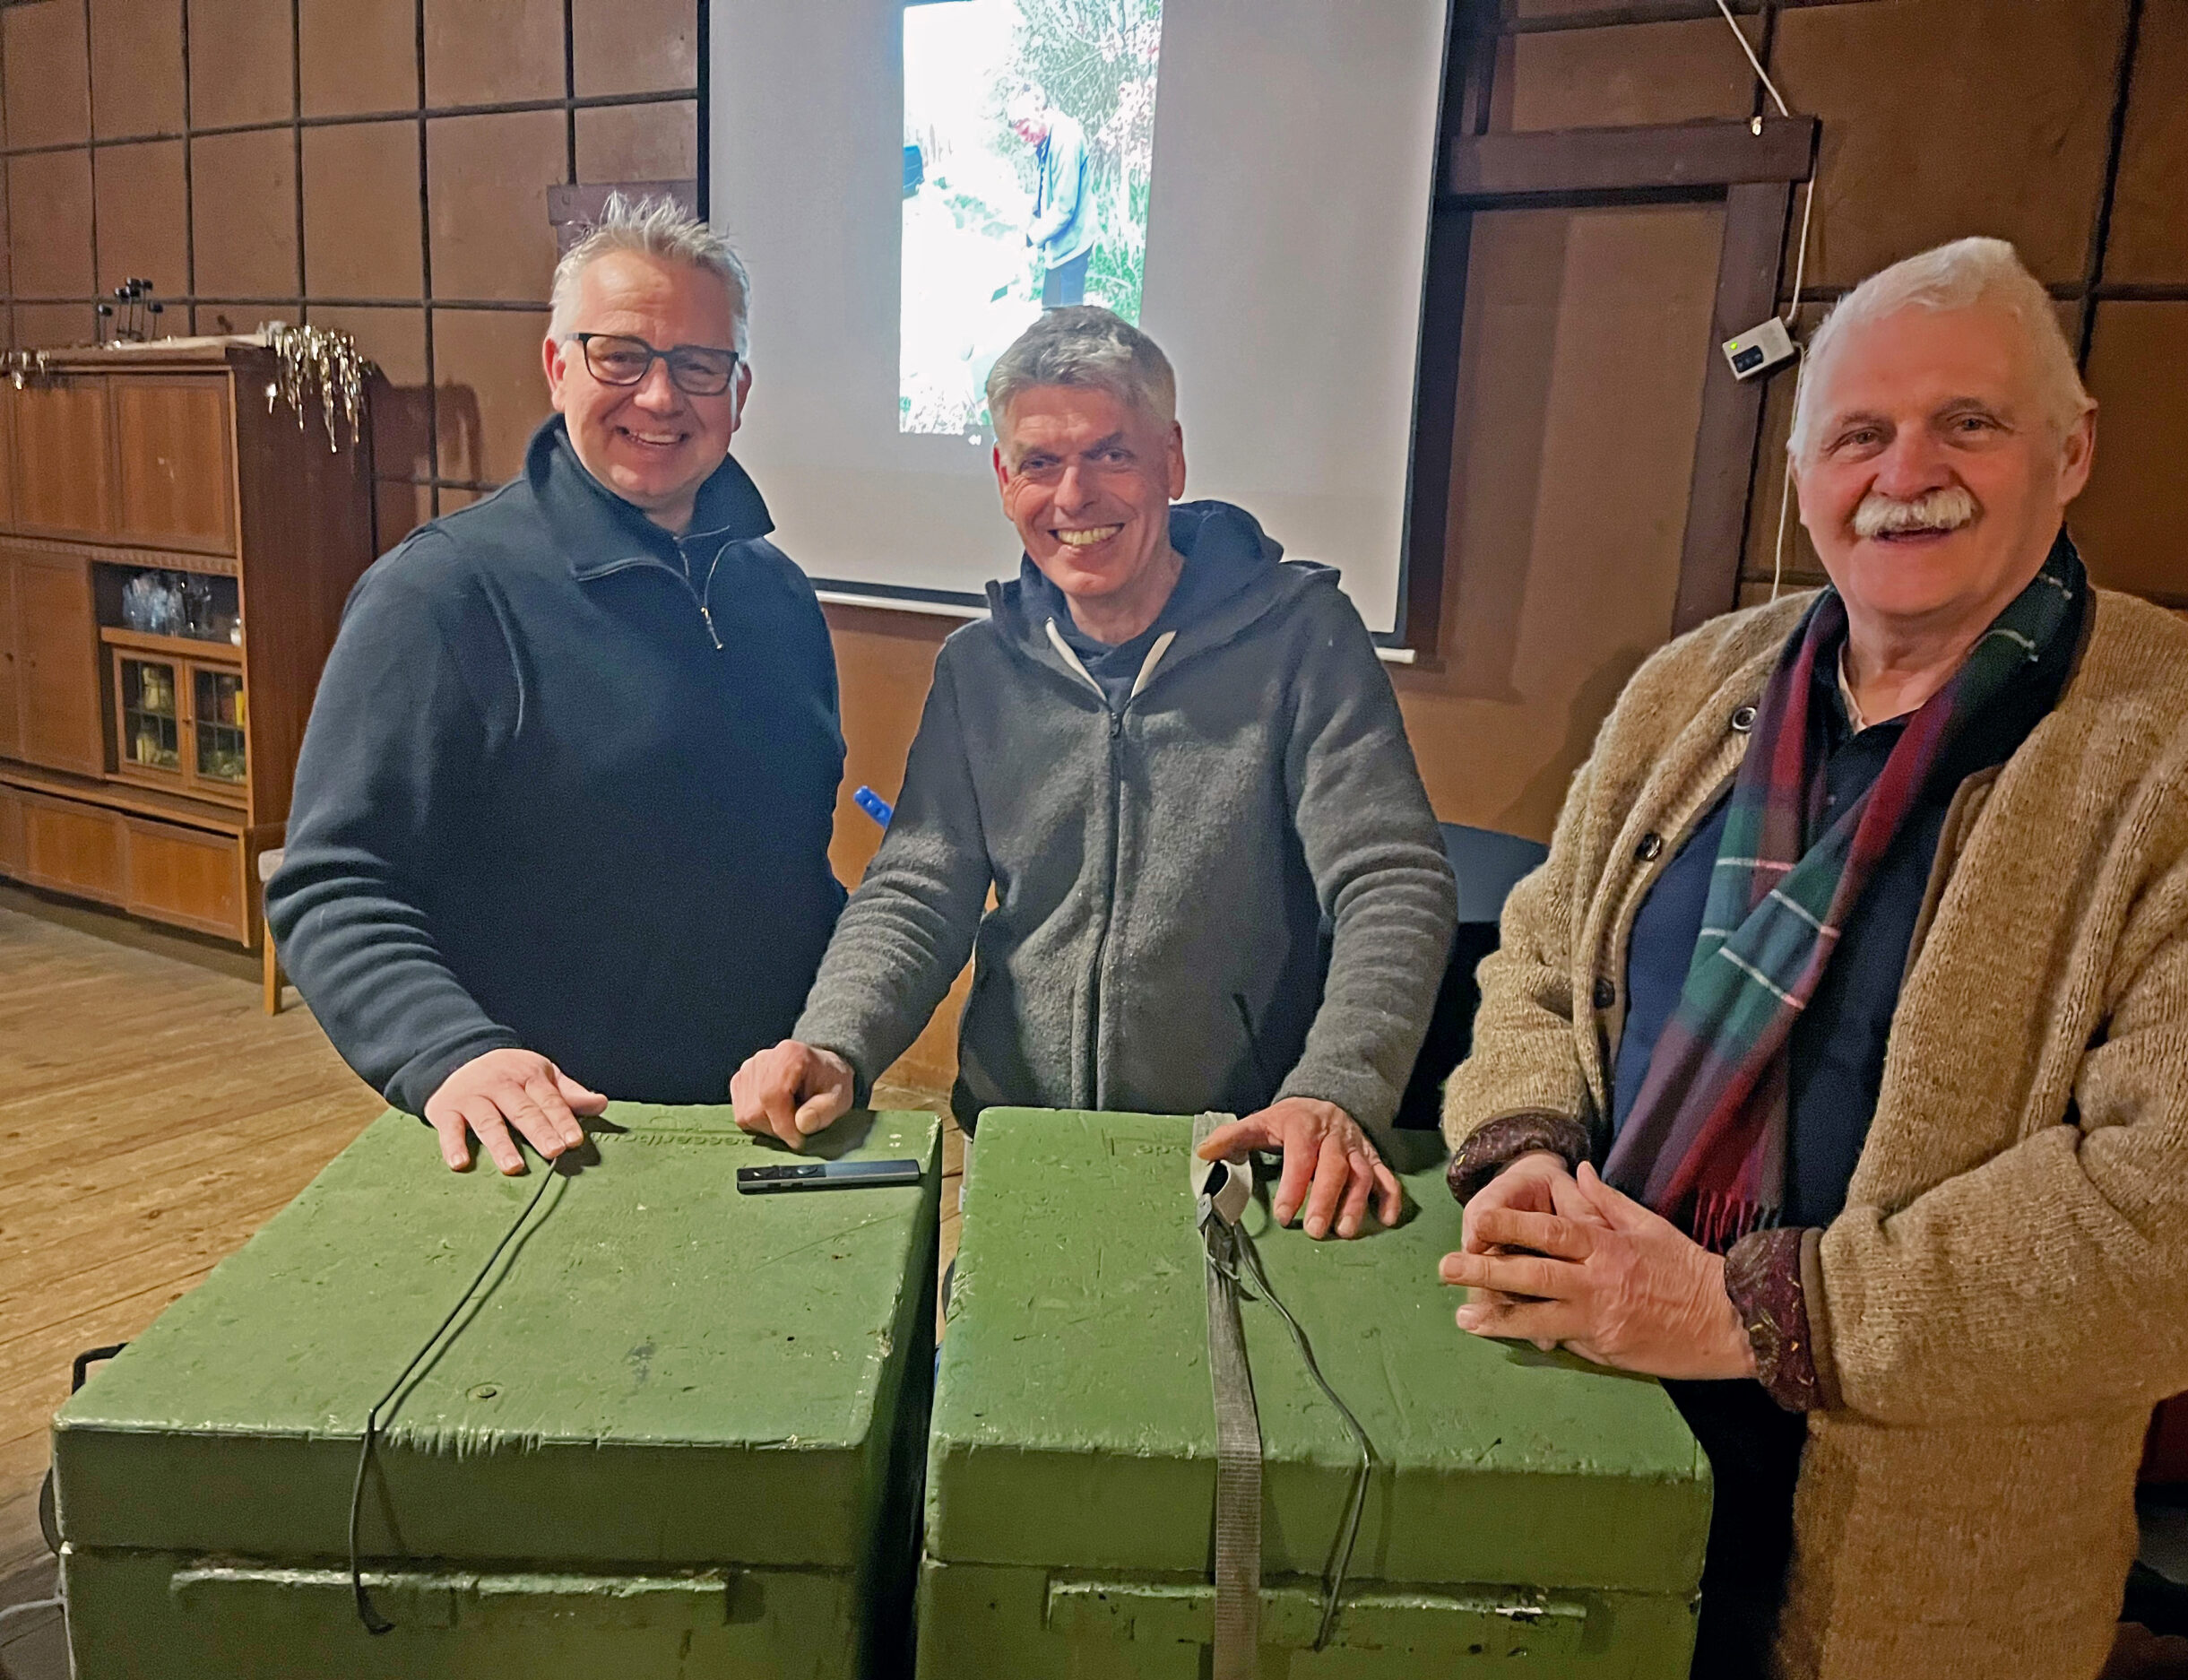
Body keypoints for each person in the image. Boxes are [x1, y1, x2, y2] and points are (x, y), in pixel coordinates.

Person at [1436, 237, 2188, 1680]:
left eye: (1971, 421)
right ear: (1804, 473)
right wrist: (1519, 1148)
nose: (1910, 471)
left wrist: (1755, 1315)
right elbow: (1538, 954)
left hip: (1917, 1596)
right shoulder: (1688, 689)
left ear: (2070, 451)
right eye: (1859, 433)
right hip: (1596, 1450)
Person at [733, 307, 1456, 1242]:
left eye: (1111, 455)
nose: (1074, 495)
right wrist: (835, 1040)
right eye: (1039, 462)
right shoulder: (977, 669)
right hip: (1015, 1135)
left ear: (1172, 461)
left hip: (1235, 1144)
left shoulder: (1301, 641)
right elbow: (918, 887)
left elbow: (1392, 878)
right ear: (1004, 479)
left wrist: (1340, 1088)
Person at [268, 195, 846, 1176]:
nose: (661, 397)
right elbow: (333, 881)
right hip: (558, 1145)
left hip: (771, 1131)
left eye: (698, 365)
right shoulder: (442, 594)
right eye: (621, 355)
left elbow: (786, 867)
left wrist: (839, 1030)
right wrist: (450, 1052)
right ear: (557, 366)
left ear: (738, 392)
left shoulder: (779, 597)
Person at [1009, 89, 1098, 308]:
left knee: (1067, 325)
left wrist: (1029, 238)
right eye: (1020, 135)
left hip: (1074, 247)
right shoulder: (1046, 138)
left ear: (1039, 112)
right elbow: (1045, 189)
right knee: (1049, 313)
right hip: (1060, 246)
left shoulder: (1066, 139)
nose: (1024, 139)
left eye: (1025, 131)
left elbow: (1064, 209)